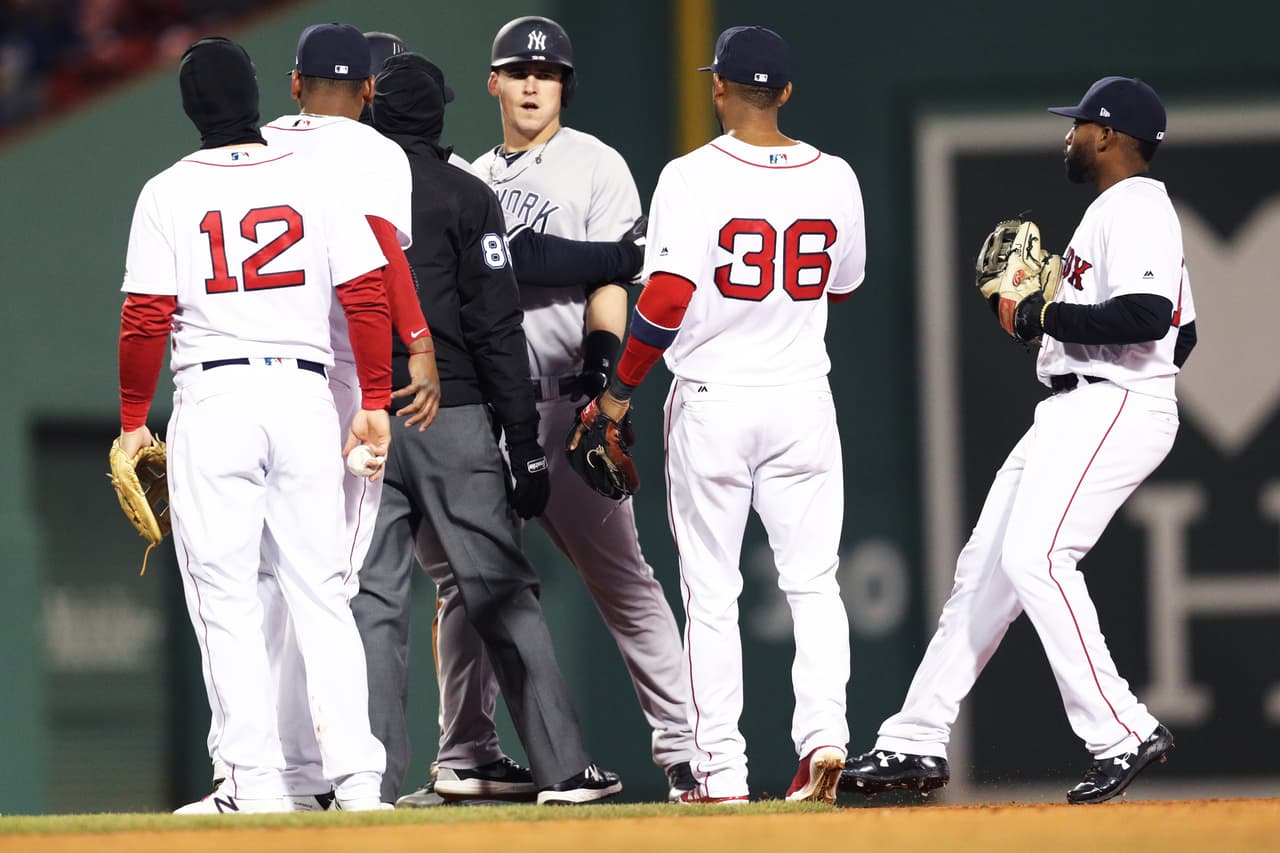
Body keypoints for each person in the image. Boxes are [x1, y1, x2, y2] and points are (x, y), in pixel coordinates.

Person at [840, 76, 1198, 805]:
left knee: (1038, 555)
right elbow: (1184, 333)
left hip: (1114, 403)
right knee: (985, 572)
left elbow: (1150, 315)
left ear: (1107, 134)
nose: (1068, 138)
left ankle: (1121, 728)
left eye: (1077, 127)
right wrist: (1062, 321)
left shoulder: (1134, 207)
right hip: (1082, 404)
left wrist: (1045, 318)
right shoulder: (1116, 213)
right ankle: (915, 736)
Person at [569, 25, 865, 805]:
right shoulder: (834, 174)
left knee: (710, 591)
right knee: (814, 581)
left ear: (718, 88)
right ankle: (827, 734)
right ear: (789, 93)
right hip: (803, 395)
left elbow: (665, 298)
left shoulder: (691, 176)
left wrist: (619, 391)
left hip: (715, 401)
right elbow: (842, 284)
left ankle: (721, 772)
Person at [117, 37, 393, 813]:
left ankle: (255, 782)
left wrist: (135, 421)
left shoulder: (167, 190)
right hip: (306, 395)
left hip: (215, 398)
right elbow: (368, 294)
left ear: (189, 108)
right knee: (323, 591)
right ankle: (359, 779)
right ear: (259, 94)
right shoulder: (316, 176)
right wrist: (373, 398)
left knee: (227, 596)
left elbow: (145, 318)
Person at [354, 51, 624, 806]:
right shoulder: (466, 193)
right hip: (453, 413)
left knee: (372, 601)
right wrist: (524, 444)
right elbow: (498, 329)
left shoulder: (340, 193)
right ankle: (564, 769)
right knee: (502, 591)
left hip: (366, 415)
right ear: (439, 115)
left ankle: (364, 783)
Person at [202, 21, 440, 808]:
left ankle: (273, 772)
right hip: (341, 372)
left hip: (256, 363)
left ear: (295, 84)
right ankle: (324, 772)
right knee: (326, 578)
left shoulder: (264, 141)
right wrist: (415, 349)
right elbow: (380, 259)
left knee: (260, 582)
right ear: (370, 91)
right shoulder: (376, 151)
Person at [468, 14, 698, 802]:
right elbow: (515, 270)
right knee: (470, 588)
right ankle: (465, 752)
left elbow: (611, 288)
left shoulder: (596, 165)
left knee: (628, 585)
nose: (534, 83)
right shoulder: (470, 176)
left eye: (549, 72)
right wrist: (599, 257)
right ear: (493, 82)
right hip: (494, 413)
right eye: (519, 71)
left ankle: (689, 754)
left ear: (564, 84)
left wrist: (604, 384)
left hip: (567, 404)